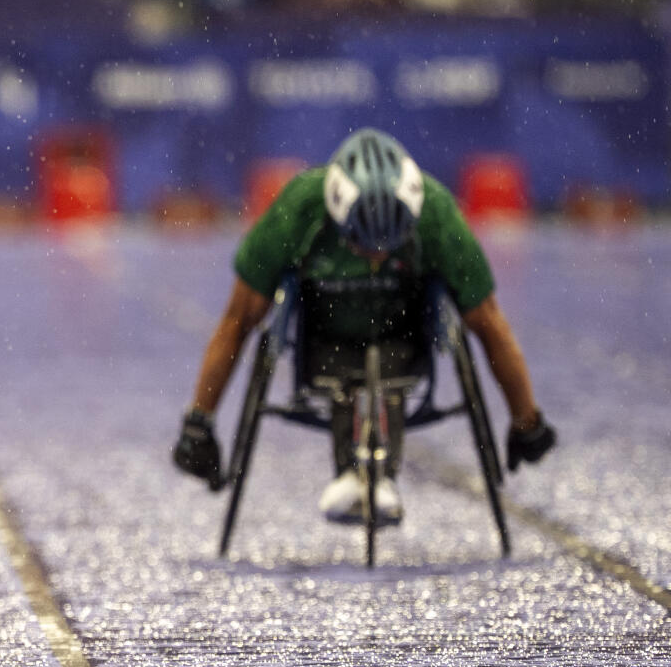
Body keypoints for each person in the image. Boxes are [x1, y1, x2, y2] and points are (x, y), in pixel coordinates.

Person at [172, 127, 556, 523]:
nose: (375, 256)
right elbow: (238, 320)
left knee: (414, 348)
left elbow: (489, 324)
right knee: (293, 337)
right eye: (361, 243)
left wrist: (526, 420)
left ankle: (373, 475)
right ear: (336, 213)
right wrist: (199, 421)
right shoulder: (299, 209)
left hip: (405, 338)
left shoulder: (437, 214)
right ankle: (358, 474)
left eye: (388, 245)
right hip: (321, 341)